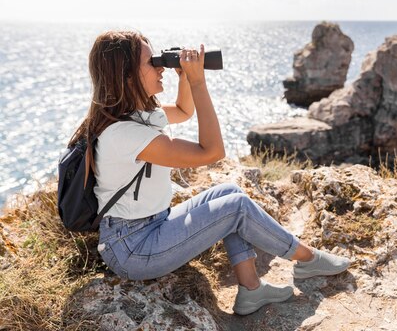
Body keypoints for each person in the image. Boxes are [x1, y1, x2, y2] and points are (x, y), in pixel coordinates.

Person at [68, 31, 350, 316]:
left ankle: (251, 290)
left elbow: (182, 109)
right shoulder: (126, 133)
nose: (160, 67)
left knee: (229, 193)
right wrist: (198, 81)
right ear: (127, 76)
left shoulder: (132, 114)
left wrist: (185, 77)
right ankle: (307, 259)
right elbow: (212, 151)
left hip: (147, 228)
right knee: (235, 208)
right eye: (151, 62)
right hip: (133, 248)